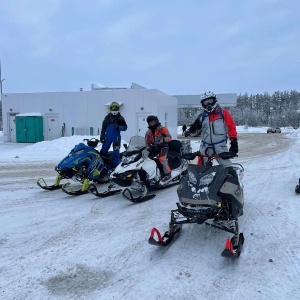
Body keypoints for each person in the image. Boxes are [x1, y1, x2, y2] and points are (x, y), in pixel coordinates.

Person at [189, 91, 238, 167]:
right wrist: (193, 129)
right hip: (205, 146)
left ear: (214, 100)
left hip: (220, 145)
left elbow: (231, 127)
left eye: (210, 101)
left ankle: (232, 177)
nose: (208, 104)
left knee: (227, 166)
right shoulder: (202, 116)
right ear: (202, 104)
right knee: (200, 168)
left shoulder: (223, 113)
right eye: (205, 102)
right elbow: (194, 132)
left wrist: (234, 141)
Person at [100, 102, 127, 169]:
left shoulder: (120, 118)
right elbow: (103, 128)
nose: (114, 110)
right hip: (107, 137)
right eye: (113, 108)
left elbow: (125, 127)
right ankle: (103, 165)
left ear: (118, 109)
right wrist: (102, 136)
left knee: (116, 153)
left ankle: (116, 167)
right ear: (110, 108)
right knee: (103, 151)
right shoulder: (107, 118)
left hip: (116, 137)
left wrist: (119, 127)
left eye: (116, 108)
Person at [145, 115, 172, 181]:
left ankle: (167, 174)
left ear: (156, 121)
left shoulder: (162, 129)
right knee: (146, 159)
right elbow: (147, 142)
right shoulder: (148, 132)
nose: (152, 123)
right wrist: (147, 147)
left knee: (161, 158)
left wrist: (163, 140)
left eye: (153, 122)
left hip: (163, 147)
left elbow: (169, 137)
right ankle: (151, 174)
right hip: (154, 148)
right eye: (150, 122)